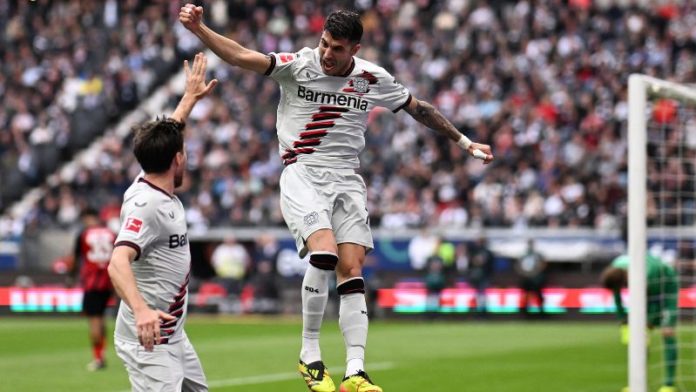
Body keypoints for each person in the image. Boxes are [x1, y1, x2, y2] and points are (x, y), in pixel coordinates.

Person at [179, 6, 493, 392]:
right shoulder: (297, 65)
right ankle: (310, 356)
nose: (327, 53)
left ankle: (355, 372)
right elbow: (242, 55)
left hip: (347, 179)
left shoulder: (372, 78)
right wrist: (199, 29)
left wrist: (464, 142)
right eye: (325, 43)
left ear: (354, 49)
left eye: (337, 48)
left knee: (352, 268)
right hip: (303, 171)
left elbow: (419, 109)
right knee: (323, 252)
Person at [107, 53, 217, 391]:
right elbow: (116, 261)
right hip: (149, 338)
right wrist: (140, 310)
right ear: (178, 159)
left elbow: (168, 135)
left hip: (172, 335)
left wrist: (188, 99)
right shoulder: (147, 205)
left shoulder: (150, 173)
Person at [601, 254, 678, 392]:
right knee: (640, 339)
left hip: (667, 288)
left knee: (667, 333)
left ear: (626, 277)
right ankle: (638, 382)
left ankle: (668, 385)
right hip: (647, 291)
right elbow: (617, 296)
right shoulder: (616, 268)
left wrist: (651, 321)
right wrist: (623, 319)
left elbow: (652, 302)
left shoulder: (649, 274)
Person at [72, 207, 116, 371]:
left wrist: (71, 277)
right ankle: (102, 354)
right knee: (102, 318)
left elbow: (75, 259)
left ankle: (98, 359)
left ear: (87, 218)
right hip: (110, 281)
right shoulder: (112, 233)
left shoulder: (84, 234)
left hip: (92, 283)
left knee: (94, 321)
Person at [515, 239, 546, 315]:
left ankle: (540, 311)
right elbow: (518, 266)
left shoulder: (536, 255)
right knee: (526, 294)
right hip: (527, 278)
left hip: (535, 278)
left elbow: (542, 265)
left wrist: (535, 273)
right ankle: (526, 311)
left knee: (538, 294)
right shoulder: (524, 255)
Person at [467, 235, 494, 314]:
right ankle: (478, 311)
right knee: (478, 294)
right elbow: (471, 263)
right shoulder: (474, 251)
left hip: (484, 276)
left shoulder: (486, 252)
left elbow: (489, 264)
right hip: (476, 277)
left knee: (482, 295)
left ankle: (482, 312)